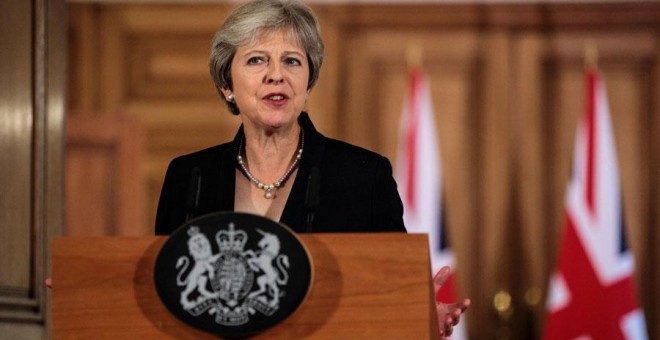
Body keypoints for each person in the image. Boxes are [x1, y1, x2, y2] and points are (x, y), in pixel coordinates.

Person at [152, 0, 469, 337]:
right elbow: (162, 293)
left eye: (292, 61)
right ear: (226, 85)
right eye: (256, 59)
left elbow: (389, 292)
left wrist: (415, 314)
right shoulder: (189, 178)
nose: (276, 74)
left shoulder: (364, 177)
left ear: (308, 81)